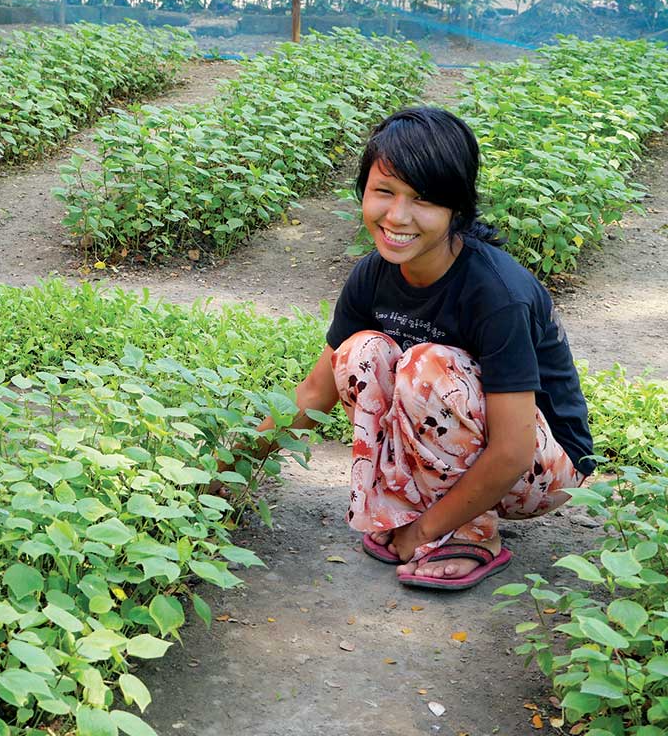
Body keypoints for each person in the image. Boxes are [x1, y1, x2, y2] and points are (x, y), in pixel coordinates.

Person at [236, 107, 594, 591]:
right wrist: (227, 469)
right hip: (470, 449)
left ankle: (470, 533)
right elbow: (314, 393)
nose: (397, 216)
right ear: (363, 191)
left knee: (427, 366)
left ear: (457, 209)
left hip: (540, 470)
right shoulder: (372, 274)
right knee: (361, 353)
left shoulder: (495, 292)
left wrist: (423, 533)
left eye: (423, 199)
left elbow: (513, 450)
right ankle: (410, 507)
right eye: (384, 192)